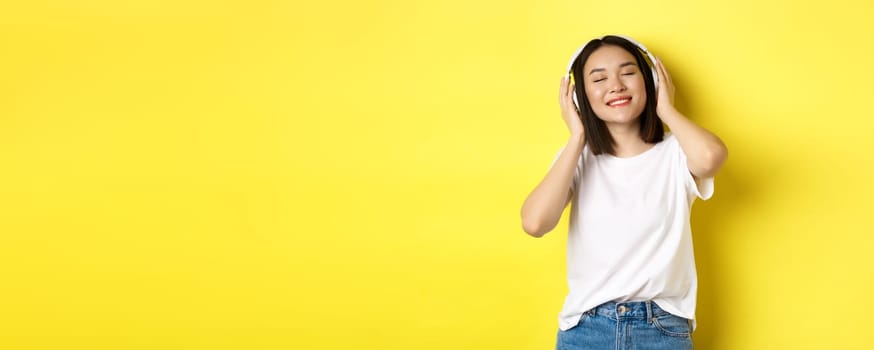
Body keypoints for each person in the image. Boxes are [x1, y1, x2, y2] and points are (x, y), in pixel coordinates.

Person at [520, 35, 728, 350]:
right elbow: (535, 223)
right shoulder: (577, 157)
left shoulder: (676, 151)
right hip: (586, 329)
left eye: (628, 73)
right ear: (579, 97)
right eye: (599, 78)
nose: (616, 85)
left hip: (661, 328)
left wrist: (667, 110)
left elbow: (712, 158)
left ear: (651, 81)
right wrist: (577, 136)